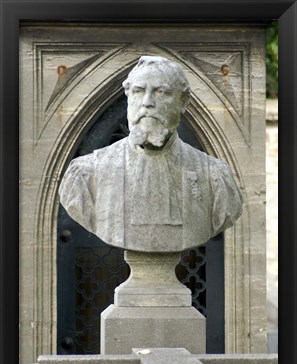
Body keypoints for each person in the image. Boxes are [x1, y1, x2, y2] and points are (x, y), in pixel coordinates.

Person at [59, 55, 243, 252]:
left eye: (161, 92)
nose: (147, 102)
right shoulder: (86, 175)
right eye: (138, 91)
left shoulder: (215, 176)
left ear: (183, 101)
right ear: (128, 97)